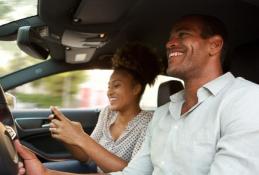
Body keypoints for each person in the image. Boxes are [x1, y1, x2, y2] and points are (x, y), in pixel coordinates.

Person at [15, 14, 259, 175]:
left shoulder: (246, 101)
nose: (170, 43)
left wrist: (81, 138)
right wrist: (46, 173)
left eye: (182, 35)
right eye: (171, 37)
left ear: (214, 45)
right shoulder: (165, 114)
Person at [43, 42, 164, 173]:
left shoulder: (149, 123)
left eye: (116, 86)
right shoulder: (107, 113)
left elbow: (132, 172)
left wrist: (80, 136)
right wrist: (66, 136)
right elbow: (86, 157)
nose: (109, 92)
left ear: (136, 89)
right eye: (109, 86)